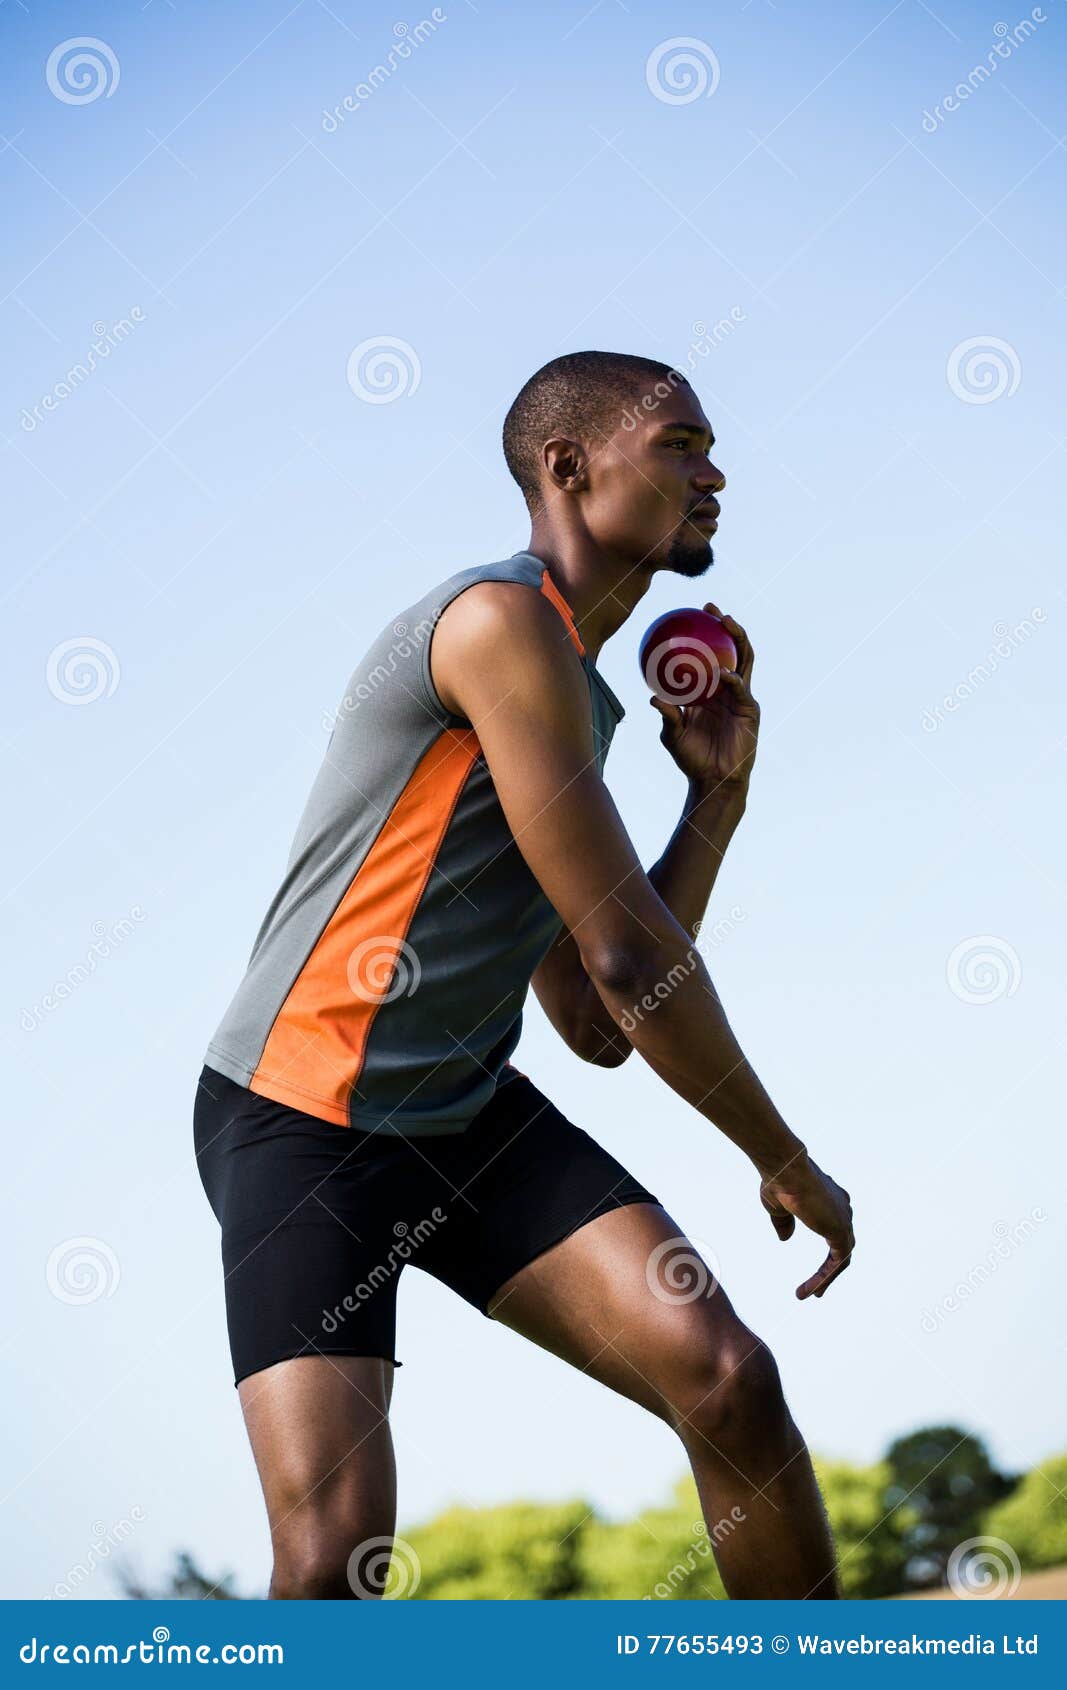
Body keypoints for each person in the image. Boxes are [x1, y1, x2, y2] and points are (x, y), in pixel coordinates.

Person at [194, 350, 854, 1600]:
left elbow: (594, 1022)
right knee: (335, 1559)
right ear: (566, 466)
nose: (713, 473)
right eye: (679, 443)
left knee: (727, 1381)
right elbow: (628, 956)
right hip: (299, 1121)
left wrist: (714, 800)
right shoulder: (498, 626)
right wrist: (780, 1155)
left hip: (459, 1115)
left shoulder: (576, 702)